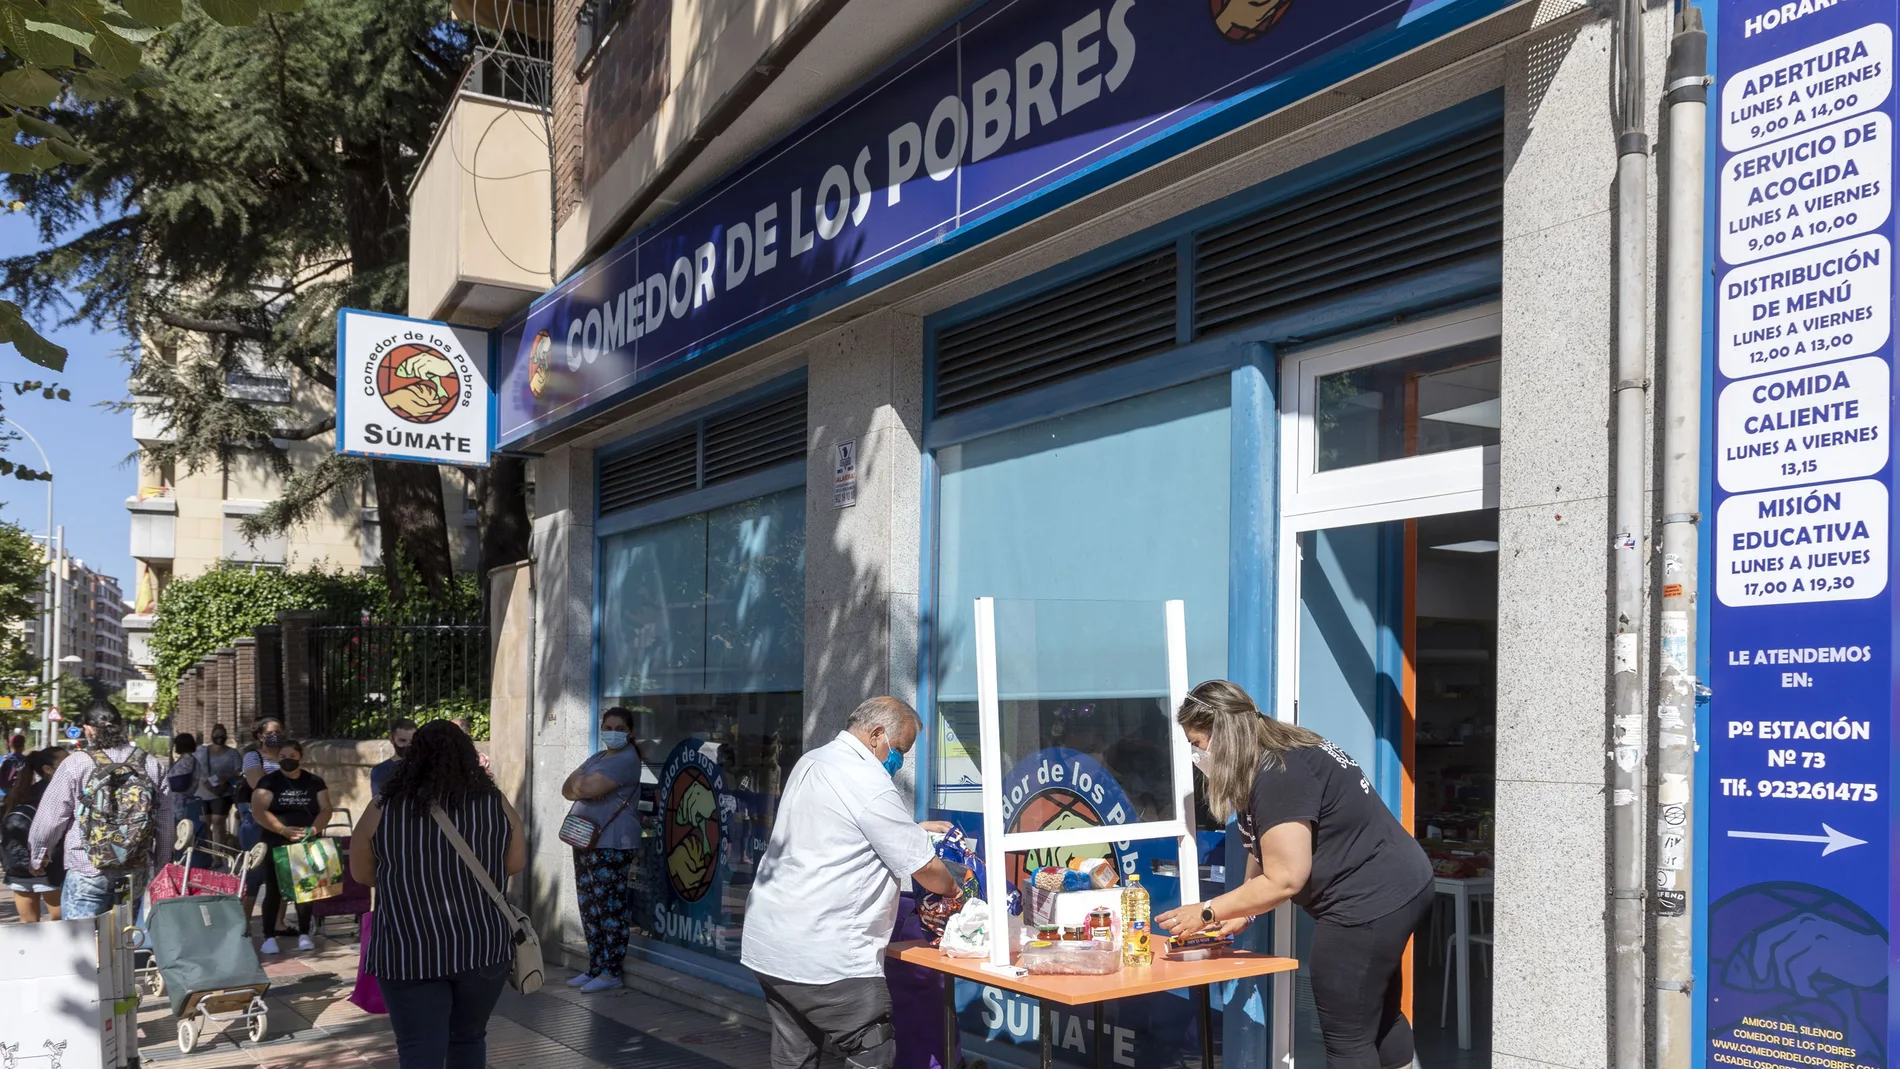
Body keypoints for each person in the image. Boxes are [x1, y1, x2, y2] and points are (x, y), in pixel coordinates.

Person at [1155, 681, 1434, 1069]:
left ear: (1227, 735)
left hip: (1367, 902)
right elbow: (1263, 845)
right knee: (1378, 1017)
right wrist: (1244, 909)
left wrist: (1207, 911)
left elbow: (1286, 878)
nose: (1197, 754)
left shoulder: (1278, 774)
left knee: (1347, 1038)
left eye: (1199, 742)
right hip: (1401, 884)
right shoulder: (1276, 752)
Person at [741, 697, 963, 1069]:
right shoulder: (867, 779)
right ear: (877, 735)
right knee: (871, 1049)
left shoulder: (814, 759)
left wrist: (913, 829)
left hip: (771, 943)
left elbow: (837, 827)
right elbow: (925, 868)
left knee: (794, 1053)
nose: (899, 760)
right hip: (825, 954)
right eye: (900, 750)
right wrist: (957, 892)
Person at [349, 720, 525, 1069]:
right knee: (469, 1037)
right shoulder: (496, 803)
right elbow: (514, 864)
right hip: (482, 945)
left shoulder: (383, 808)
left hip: (406, 947)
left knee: (418, 1049)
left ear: (414, 756)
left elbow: (363, 874)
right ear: (467, 756)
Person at [26, 705, 176, 920]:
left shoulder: (76, 763)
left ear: (88, 729)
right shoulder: (151, 764)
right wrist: (161, 864)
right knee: (123, 940)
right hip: (134, 868)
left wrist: (39, 854)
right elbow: (165, 822)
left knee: (84, 941)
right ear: (122, 726)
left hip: (87, 867)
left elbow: (52, 816)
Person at [558, 707, 645, 992]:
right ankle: (596, 966)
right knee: (589, 905)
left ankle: (612, 971)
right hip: (587, 840)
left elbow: (586, 785)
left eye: (619, 727)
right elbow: (568, 789)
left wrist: (581, 782)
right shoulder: (599, 757)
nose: (612, 732)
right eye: (608, 726)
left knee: (610, 906)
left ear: (630, 732)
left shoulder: (626, 759)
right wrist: (581, 784)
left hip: (613, 843)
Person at [249, 739, 332, 954]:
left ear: (300, 757)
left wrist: (313, 830)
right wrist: (281, 829)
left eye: (292, 756)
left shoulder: (315, 782)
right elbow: (259, 810)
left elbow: (325, 810)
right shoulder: (268, 782)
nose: (287, 760)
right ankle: (269, 937)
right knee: (274, 890)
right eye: (283, 756)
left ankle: (304, 933)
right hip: (275, 842)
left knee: (305, 890)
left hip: (305, 842)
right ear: (278, 758)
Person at [3, 749, 63, 921]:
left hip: (18, 865)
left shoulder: (20, 793)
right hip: (51, 866)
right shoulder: (58, 793)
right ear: (47, 769)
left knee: (28, 926)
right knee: (60, 923)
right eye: (64, 764)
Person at [237, 718, 286, 924]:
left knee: (282, 872)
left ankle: (278, 923)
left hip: (283, 818)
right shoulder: (252, 756)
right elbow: (257, 782)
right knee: (255, 871)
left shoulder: (287, 755)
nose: (277, 736)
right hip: (256, 819)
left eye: (280, 731)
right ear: (260, 736)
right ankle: (245, 923)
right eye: (271, 732)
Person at [197, 725, 242, 847]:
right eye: (217, 734)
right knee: (204, 824)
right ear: (211, 735)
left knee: (217, 823)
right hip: (203, 793)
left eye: (222, 735)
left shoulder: (233, 753)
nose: (219, 737)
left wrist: (224, 777)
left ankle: (217, 857)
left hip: (222, 793)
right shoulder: (202, 751)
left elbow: (239, 771)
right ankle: (207, 854)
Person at [167, 732, 203, 839]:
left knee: (177, 834)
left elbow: (178, 783)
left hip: (179, 803)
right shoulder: (192, 761)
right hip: (185, 801)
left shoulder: (186, 762)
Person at [370, 719, 418, 798]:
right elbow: (377, 804)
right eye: (402, 740)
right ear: (392, 739)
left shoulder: (424, 767)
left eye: (412, 741)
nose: (408, 745)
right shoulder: (380, 771)